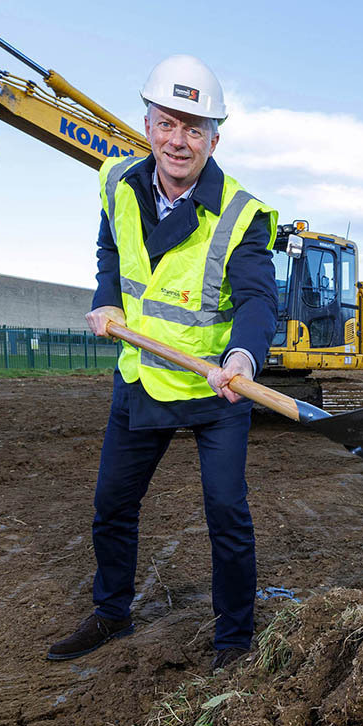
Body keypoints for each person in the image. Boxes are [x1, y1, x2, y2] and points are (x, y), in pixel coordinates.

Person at [47, 55, 279, 670]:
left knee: (226, 513)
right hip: (141, 376)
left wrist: (243, 358)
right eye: (168, 123)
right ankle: (112, 612)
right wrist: (106, 298)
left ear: (213, 140)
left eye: (194, 129)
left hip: (214, 388)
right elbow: (110, 249)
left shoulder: (241, 214)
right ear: (147, 124)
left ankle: (234, 640)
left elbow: (258, 300)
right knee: (112, 505)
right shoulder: (117, 183)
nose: (179, 140)